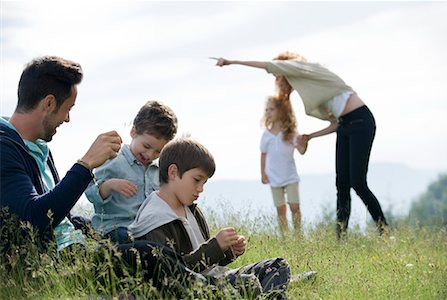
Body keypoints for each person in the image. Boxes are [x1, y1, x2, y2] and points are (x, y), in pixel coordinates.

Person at [0, 56, 223, 297]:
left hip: (78, 246)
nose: (67, 119)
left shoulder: (37, 148)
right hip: (58, 262)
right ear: (49, 103)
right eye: (68, 109)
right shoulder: (4, 149)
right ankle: (218, 292)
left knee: (156, 253)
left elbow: (58, 216)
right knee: (149, 256)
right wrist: (85, 165)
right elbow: (33, 219)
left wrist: (88, 229)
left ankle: (216, 287)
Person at [213, 52, 389, 238]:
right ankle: (341, 238)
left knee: (358, 183)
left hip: (361, 121)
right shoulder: (311, 87)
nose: (277, 77)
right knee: (342, 184)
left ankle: (384, 231)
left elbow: (268, 65)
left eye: (278, 72)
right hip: (345, 125)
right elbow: (336, 124)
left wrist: (232, 61)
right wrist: (310, 136)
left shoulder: (307, 69)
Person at [129, 138, 291, 299]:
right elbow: (172, 277)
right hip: (192, 288)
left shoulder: (192, 209)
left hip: (217, 278)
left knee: (277, 266)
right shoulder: (155, 219)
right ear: (173, 172)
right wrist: (215, 247)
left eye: (204, 182)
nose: (200, 189)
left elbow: (209, 264)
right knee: (248, 284)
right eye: (197, 180)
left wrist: (227, 252)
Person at [85, 100, 177, 244]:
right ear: (133, 132)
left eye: (158, 151)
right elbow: (91, 194)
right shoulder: (113, 159)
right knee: (126, 238)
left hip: (146, 230)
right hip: (114, 228)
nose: (150, 155)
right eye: (146, 146)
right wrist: (110, 185)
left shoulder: (159, 171)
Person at [260, 95, 306, 236]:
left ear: (281, 111)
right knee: (280, 209)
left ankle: (298, 235)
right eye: (267, 110)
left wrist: (304, 143)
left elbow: (301, 151)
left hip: (290, 176)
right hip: (274, 177)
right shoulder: (266, 135)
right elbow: (263, 154)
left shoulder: (290, 133)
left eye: (272, 109)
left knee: (294, 206)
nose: (268, 112)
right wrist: (263, 173)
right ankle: (284, 237)